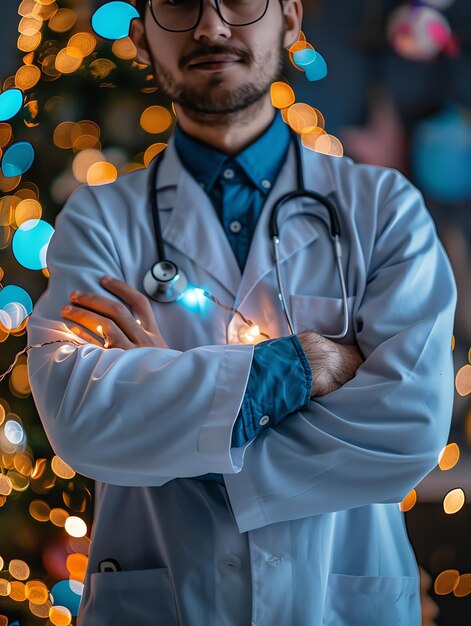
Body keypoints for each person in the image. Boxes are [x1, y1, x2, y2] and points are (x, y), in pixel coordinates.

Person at [26, 0, 457, 624]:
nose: (210, 25)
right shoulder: (100, 221)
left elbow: (411, 429)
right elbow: (79, 416)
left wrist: (168, 408)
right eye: (179, 3)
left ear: (289, 18)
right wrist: (298, 368)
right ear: (142, 38)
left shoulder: (384, 208)